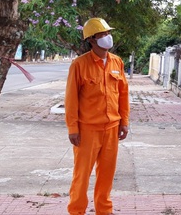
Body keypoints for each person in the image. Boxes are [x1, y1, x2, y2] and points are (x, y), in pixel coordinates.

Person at [64, 17, 130, 215]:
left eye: (108, 33)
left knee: (107, 175)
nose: (107, 38)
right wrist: (73, 128)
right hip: (87, 130)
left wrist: (124, 122)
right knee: (81, 176)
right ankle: (76, 211)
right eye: (102, 34)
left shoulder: (116, 62)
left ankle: (104, 211)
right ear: (91, 40)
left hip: (111, 128)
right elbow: (71, 99)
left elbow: (123, 94)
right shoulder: (79, 65)